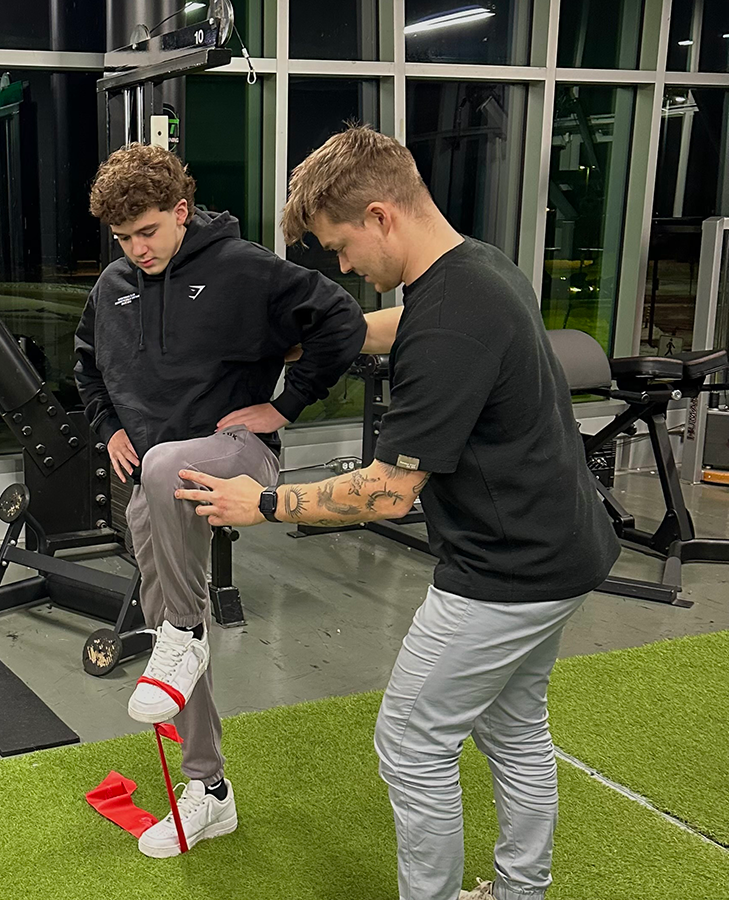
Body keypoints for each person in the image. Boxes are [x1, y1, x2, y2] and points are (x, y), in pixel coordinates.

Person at [173, 125, 621, 900]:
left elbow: (387, 492)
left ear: (380, 216)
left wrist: (265, 503)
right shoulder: (477, 269)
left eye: (341, 247)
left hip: (506, 571)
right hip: (565, 549)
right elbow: (388, 328)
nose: (344, 267)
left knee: (412, 742)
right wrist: (286, 351)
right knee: (515, 733)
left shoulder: (449, 313)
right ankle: (521, 893)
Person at [74, 143, 367, 858]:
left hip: (238, 455)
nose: (138, 250)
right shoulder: (112, 286)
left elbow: (342, 321)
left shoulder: (243, 268)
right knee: (171, 625)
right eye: (124, 239)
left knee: (177, 621)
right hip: (156, 479)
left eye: (148, 231)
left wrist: (286, 406)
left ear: (180, 212)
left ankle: (184, 635)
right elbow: (85, 363)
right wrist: (108, 427)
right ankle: (208, 789)